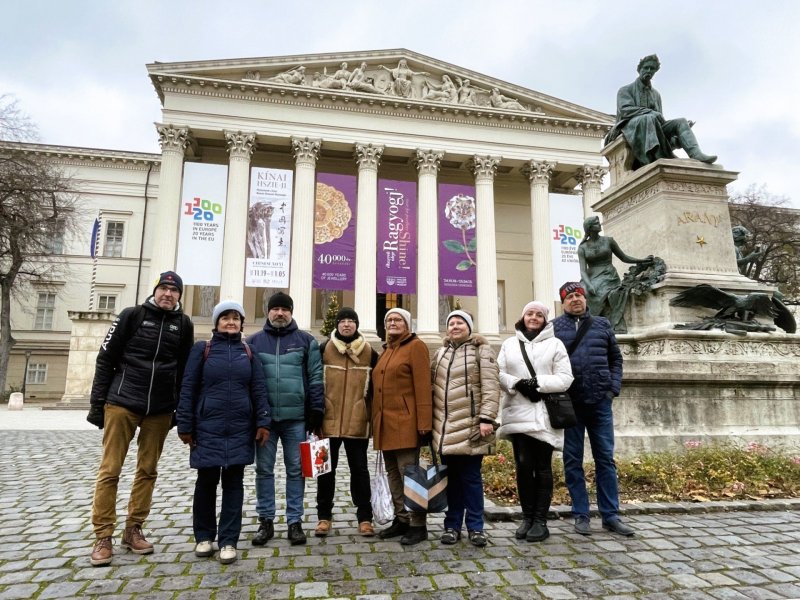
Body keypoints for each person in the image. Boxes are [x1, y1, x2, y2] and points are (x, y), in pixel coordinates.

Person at [86, 271, 194, 566]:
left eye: (174, 290)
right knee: (110, 469)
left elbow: (184, 371)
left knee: (148, 470)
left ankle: (133, 528)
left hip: (159, 408)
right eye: (164, 288)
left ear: (180, 296)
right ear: (155, 290)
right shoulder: (130, 315)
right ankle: (103, 535)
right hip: (122, 402)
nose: (168, 294)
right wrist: (97, 404)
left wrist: (178, 410)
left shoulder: (183, 324)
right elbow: (105, 359)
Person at [177, 301, 270, 564]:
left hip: (240, 427)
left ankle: (229, 540)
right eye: (225, 318)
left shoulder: (248, 352)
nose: (231, 322)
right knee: (206, 483)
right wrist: (185, 424)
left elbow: (258, 389)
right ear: (216, 323)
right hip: (208, 427)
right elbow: (188, 387)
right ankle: (204, 537)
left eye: (235, 318)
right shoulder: (202, 350)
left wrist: (263, 422)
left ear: (241, 323)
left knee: (234, 486)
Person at [552, 282, 634, 537]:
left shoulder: (602, 324)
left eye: (578, 295)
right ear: (563, 302)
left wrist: (612, 389)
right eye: (570, 297)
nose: (575, 300)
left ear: (585, 299)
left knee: (605, 460)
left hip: (600, 402)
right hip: (571, 404)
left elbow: (615, 359)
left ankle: (611, 515)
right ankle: (581, 514)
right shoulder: (555, 328)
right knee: (573, 460)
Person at [247, 292, 324, 546]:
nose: (280, 313)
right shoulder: (253, 342)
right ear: (268, 312)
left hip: (296, 419)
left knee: (296, 471)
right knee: (264, 471)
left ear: (291, 312)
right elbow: (248, 382)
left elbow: (315, 377)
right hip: (265, 421)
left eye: (284, 309)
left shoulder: (306, 340)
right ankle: (265, 520)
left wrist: (316, 412)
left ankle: (295, 521)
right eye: (275, 308)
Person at [497, 301, 573, 543]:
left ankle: (540, 520)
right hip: (517, 412)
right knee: (522, 465)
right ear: (523, 316)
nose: (533, 317)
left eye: (538, 314)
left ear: (544, 319)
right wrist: (518, 383)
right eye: (529, 313)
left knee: (542, 467)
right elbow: (497, 372)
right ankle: (527, 517)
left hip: (542, 414)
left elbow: (565, 377)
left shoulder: (555, 344)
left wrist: (537, 383)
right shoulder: (509, 343)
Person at [430, 310, 500, 547]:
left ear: (469, 327)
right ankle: (451, 526)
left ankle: (476, 527)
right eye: (451, 322)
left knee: (471, 479)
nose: (455, 326)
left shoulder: (481, 351)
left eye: (460, 322)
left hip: (471, 426)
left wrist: (487, 418)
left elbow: (491, 387)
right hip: (445, 429)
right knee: (451, 481)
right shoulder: (440, 353)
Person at [314, 307, 379, 538]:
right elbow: (314, 384)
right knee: (325, 471)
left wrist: (371, 415)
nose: (347, 325)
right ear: (337, 324)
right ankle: (324, 517)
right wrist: (315, 416)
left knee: (359, 471)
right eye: (343, 321)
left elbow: (376, 390)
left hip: (357, 422)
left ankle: (365, 518)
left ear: (357, 325)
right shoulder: (324, 349)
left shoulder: (370, 352)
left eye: (351, 320)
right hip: (327, 423)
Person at [371, 308, 433, 545]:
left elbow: (423, 387)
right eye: (389, 320)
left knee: (411, 474)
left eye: (398, 319)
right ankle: (401, 518)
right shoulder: (387, 349)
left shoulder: (415, 347)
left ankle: (418, 524)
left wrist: (424, 423)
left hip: (406, 423)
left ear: (407, 324)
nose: (393, 323)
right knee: (393, 474)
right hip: (385, 424)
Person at [605, 54, 716, 168]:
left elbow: (660, 122)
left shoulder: (656, 95)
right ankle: (653, 156)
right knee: (648, 118)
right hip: (629, 126)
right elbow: (625, 110)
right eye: (646, 67)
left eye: (652, 69)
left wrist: (675, 139)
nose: (648, 70)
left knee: (680, 122)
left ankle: (696, 154)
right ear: (639, 69)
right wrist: (650, 112)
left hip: (651, 124)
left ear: (655, 72)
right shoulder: (625, 90)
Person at [579, 215, 653, 333]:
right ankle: (587, 323)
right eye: (597, 223)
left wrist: (641, 260)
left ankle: (595, 323)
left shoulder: (609, 241)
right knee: (583, 291)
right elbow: (582, 270)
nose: (600, 225)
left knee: (598, 291)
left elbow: (624, 257)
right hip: (592, 275)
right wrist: (588, 284)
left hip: (608, 275)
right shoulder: (582, 247)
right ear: (590, 228)